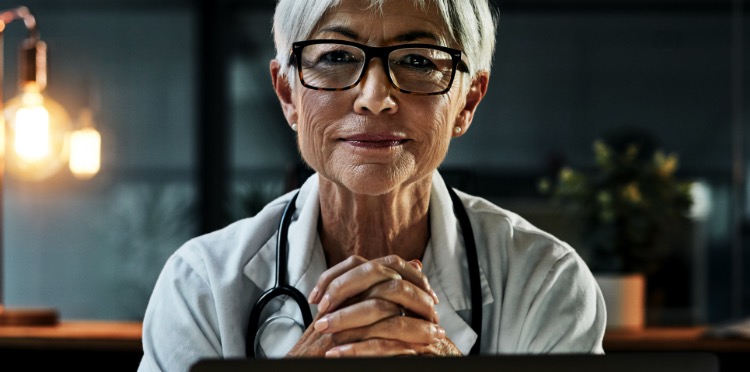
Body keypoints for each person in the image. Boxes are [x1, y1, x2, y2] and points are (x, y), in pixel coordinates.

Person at [138, 0, 606, 370]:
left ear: (468, 101)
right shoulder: (199, 284)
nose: (375, 97)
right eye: (337, 56)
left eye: (419, 61)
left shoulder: (546, 281)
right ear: (287, 94)